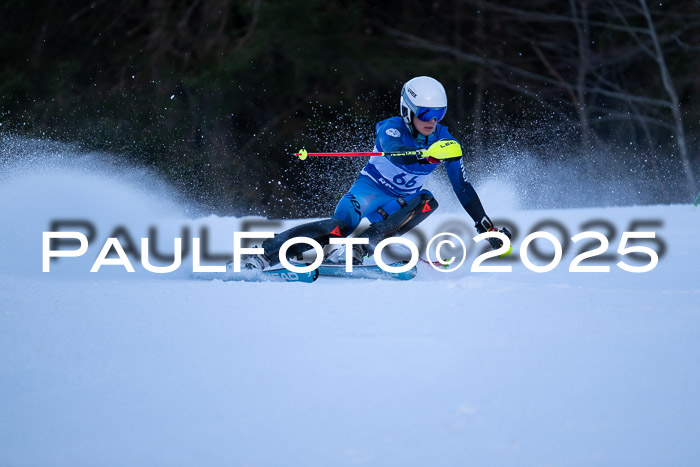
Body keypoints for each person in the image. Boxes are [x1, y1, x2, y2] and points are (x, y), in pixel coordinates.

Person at [243, 76, 510, 270]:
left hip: (399, 204)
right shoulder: (391, 128)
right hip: (369, 191)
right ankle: (266, 253)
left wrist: (485, 225)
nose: (432, 121)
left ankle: (359, 248)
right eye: (426, 113)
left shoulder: (446, 141)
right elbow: (396, 151)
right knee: (340, 226)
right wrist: (425, 154)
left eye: (438, 113)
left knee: (428, 200)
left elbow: (462, 187)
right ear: (408, 110)